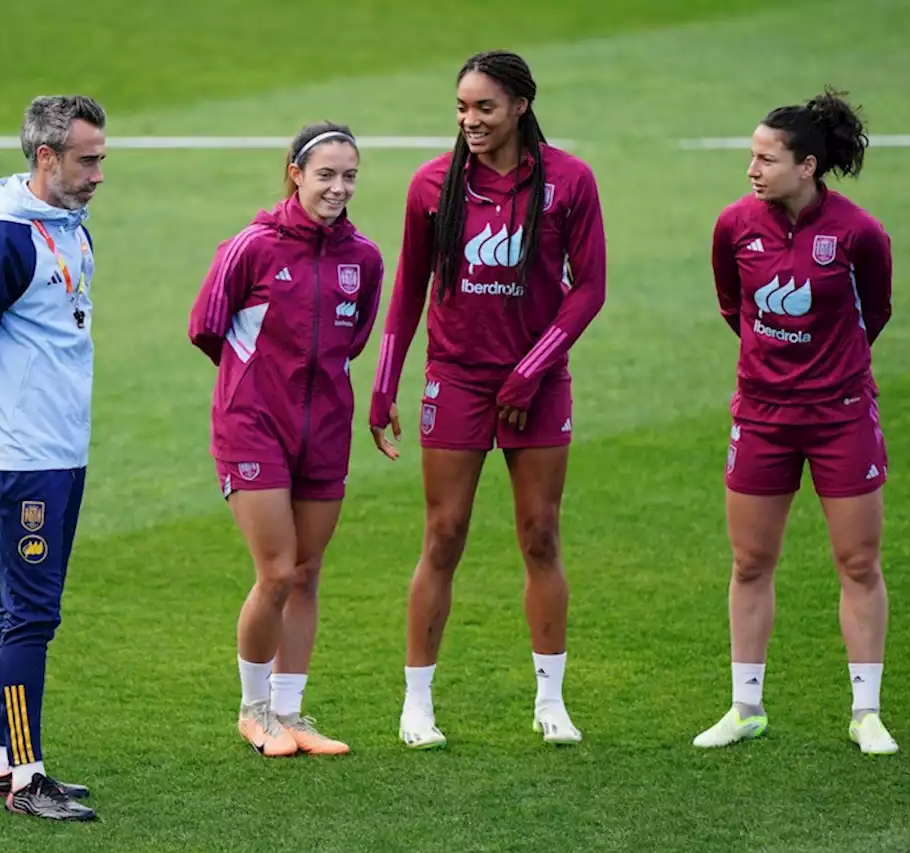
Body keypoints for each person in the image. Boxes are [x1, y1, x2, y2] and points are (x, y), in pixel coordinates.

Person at [368, 51, 607, 749]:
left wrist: (532, 369)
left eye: (485, 108)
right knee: (443, 536)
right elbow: (410, 288)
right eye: (462, 108)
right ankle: (417, 704)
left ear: (521, 107)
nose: (471, 121)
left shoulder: (569, 182)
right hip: (459, 380)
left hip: (537, 383)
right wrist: (383, 386)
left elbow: (589, 287)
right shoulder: (432, 186)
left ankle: (551, 701)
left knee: (540, 534)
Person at [694, 88, 897, 755]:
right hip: (761, 415)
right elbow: (734, 307)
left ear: (807, 166)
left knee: (858, 559)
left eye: (766, 158)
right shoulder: (734, 227)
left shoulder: (859, 234)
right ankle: (746, 706)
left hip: (840, 416)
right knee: (751, 560)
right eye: (750, 156)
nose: (751, 169)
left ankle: (866, 712)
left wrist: (826, 371)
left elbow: (876, 311)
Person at [0, 94, 107, 819]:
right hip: (22, 453)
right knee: (32, 614)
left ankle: (5, 759)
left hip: (60, 446)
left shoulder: (70, 230)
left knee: (22, 609)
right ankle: (26, 781)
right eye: (87, 159)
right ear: (45, 157)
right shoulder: (0, 240)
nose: (100, 172)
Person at [188, 121, 384, 757]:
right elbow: (207, 328)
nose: (338, 187)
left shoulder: (366, 259)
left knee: (307, 572)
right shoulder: (250, 248)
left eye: (348, 175)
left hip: (325, 433)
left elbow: (350, 344)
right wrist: (256, 392)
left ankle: (292, 713)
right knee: (275, 572)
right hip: (254, 431)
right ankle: (253, 710)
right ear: (295, 174)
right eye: (325, 174)